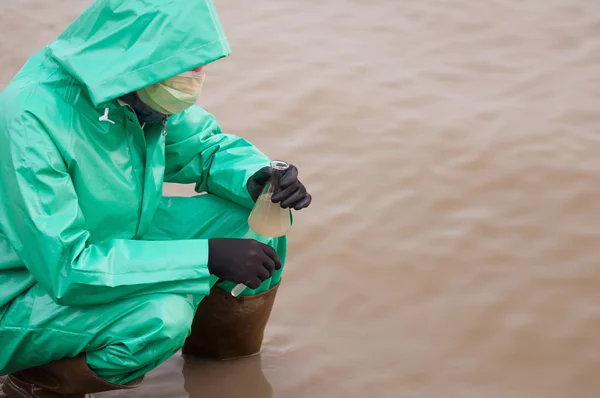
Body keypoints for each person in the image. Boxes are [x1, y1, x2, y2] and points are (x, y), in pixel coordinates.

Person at [0, 0, 312, 397]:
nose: (192, 80)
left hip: (114, 238)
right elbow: (67, 268)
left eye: (196, 66)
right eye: (178, 70)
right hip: (22, 291)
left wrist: (258, 176)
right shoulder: (30, 118)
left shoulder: (135, 86)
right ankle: (31, 384)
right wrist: (205, 257)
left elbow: (206, 148)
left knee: (257, 219)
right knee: (160, 320)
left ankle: (221, 373)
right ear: (133, 61)